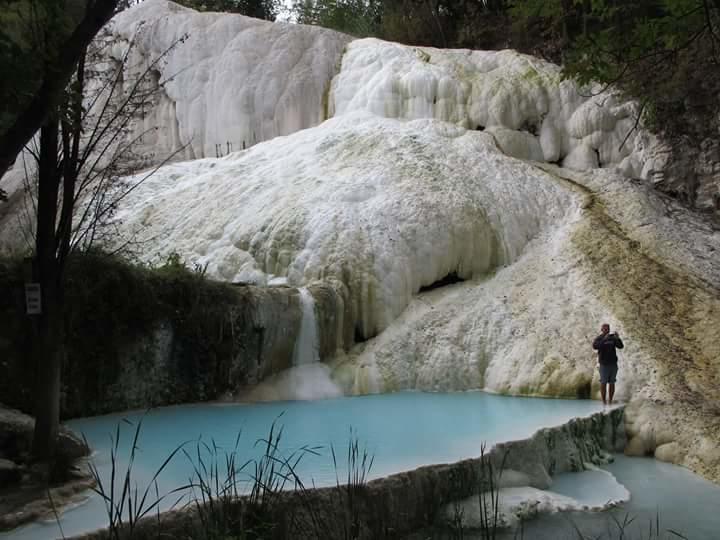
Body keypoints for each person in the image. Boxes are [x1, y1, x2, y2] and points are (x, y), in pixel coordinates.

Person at [592, 323, 624, 405]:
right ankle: (603, 401)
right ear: (601, 329)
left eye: (607, 329)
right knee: (603, 382)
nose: (606, 330)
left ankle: (610, 400)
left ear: (609, 329)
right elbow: (595, 346)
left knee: (612, 382)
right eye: (605, 329)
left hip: (613, 364)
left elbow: (620, 346)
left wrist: (618, 338)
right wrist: (604, 340)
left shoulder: (612, 338)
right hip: (604, 364)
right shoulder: (599, 338)